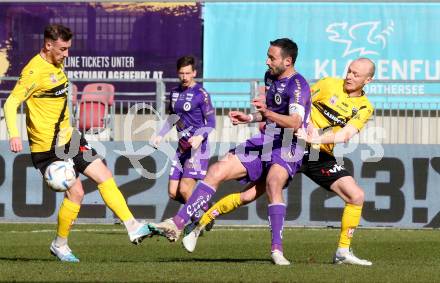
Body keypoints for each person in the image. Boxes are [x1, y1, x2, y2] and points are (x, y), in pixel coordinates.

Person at [182, 58, 375, 266]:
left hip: (319, 154)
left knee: (356, 196)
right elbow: (298, 106)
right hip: (292, 144)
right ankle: (200, 224)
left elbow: (346, 134)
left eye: (356, 74)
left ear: (368, 80)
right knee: (249, 195)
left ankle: (343, 252)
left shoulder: (365, 107)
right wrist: (261, 115)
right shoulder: (329, 84)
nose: (349, 76)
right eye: (349, 71)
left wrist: (314, 138)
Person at [150, 38, 311, 265]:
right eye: (267, 56)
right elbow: (268, 114)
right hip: (266, 139)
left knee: (272, 184)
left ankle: (276, 250)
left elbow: (294, 122)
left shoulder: (298, 85)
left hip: (289, 143)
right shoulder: (270, 77)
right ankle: (177, 224)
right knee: (217, 170)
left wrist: (267, 112)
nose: (266, 61)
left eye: (271, 58)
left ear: (288, 61)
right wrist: (250, 118)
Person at [3, 24, 154, 263]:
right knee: (78, 192)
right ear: (48, 45)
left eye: (68, 49)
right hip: (48, 147)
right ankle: (59, 245)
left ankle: (132, 225)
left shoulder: (57, 62)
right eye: (63, 49)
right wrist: (14, 134)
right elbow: (10, 103)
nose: (66, 54)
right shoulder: (33, 72)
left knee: (104, 175)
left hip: (69, 137)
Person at [151, 56, 216, 226]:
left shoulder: (201, 94)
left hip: (197, 149)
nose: (185, 77)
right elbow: (173, 117)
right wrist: (160, 134)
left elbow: (211, 122)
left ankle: (200, 221)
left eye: (188, 73)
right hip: (181, 149)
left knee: (185, 189)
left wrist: (200, 136)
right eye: (181, 73)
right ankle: (205, 206)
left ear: (194, 73)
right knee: (173, 193)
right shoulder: (174, 93)